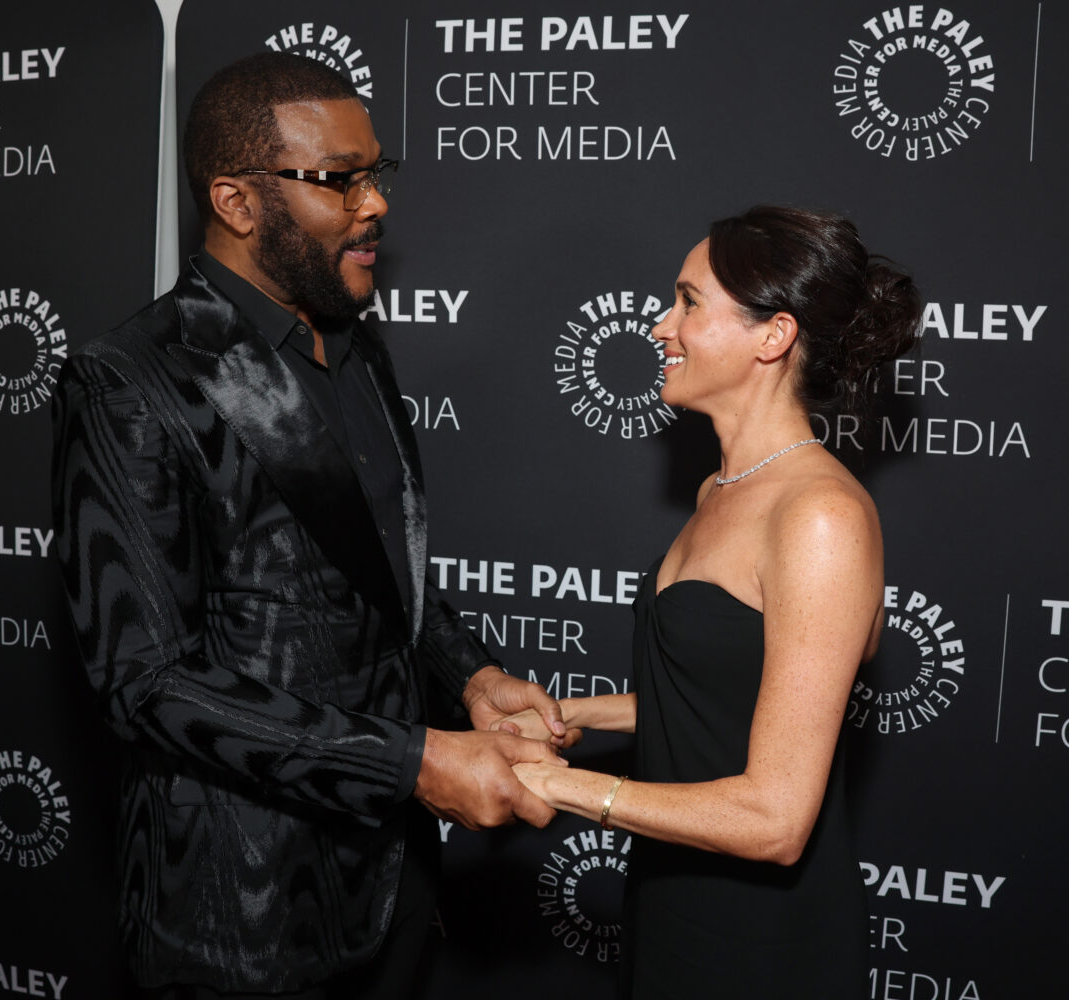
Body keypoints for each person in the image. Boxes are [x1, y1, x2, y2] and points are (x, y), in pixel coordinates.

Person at [51, 52, 569, 1000]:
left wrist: (473, 677)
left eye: (378, 174)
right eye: (341, 180)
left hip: (396, 891)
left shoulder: (359, 348)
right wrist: (411, 761)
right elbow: (144, 682)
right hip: (240, 913)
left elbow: (377, 573)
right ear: (238, 202)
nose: (375, 206)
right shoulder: (128, 381)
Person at [502, 205, 921, 998]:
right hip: (669, 896)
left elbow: (775, 820)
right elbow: (723, 696)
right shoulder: (719, 487)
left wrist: (563, 786)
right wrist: (574, 716)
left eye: (689, 302)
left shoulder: (820, 517)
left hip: (757, 940)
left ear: (773, 337)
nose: (661, 326)